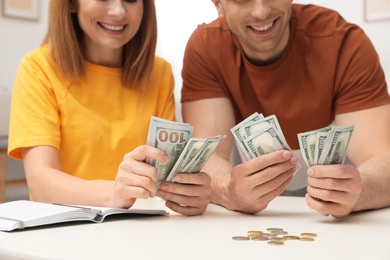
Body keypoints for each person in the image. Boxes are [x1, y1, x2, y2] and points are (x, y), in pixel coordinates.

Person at [180, 0, 390, 217]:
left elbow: (383, 158)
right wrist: (229, 190)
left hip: (332, 221)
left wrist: (359, 190)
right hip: (249, 222)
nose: (261, 12)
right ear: (218, 3)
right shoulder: (206, 47)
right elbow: (206, 159)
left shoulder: (344, 42)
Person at [8, 0, 211, 216]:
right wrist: (114, 194)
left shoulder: (159, 73)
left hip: (139, 231)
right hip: (64, 230)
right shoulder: (38, 68)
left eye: (131, 0)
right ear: (71, 4)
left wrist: (189, 193)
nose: (118, 11)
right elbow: (40, 185)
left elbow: (165, 176)